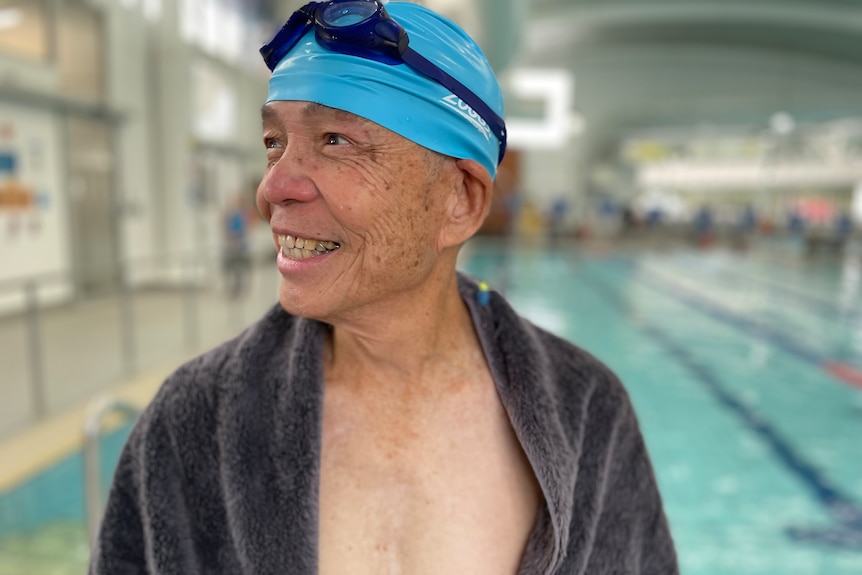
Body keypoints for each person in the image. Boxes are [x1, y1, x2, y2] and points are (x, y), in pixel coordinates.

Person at [89, 2, 678, 574]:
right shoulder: (194, 420)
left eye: (336, 142)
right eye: (275, 143)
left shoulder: (587, 414)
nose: (273, 188)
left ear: (460, 200)